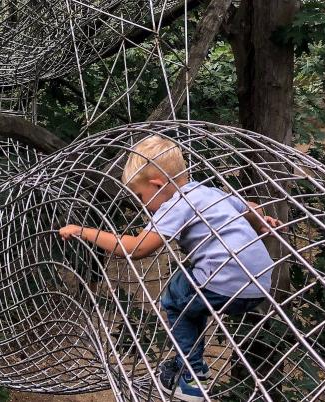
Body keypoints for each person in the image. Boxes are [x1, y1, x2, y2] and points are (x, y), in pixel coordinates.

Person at [58, 135, 281, 402]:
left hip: (223, 279)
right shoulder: (210, 192)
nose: (142, 204)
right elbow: (250, 208)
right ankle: (186, 360)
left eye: (141, 197)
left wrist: (83, 231)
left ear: (157, 184)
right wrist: (261, 222)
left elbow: (137, 248)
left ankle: (192, 378)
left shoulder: (175, 203)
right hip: (259, 285)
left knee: (176, 297)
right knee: (191, 303)